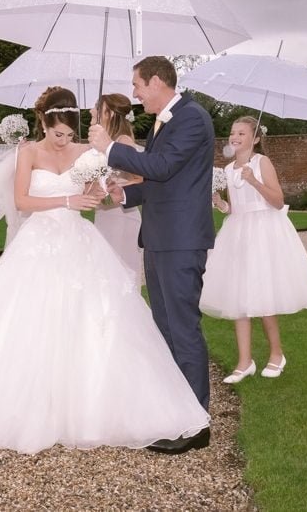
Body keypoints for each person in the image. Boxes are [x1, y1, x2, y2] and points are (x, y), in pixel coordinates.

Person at [0, 86, 210, 455]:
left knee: (94, 320)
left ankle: (107, 407)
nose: (63, 140)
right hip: (37, 242)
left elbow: (99, 196)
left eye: (69, 134)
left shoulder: (88, 152)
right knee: (25, 321)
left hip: (77, 239)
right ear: (43, 123)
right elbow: (22, 200)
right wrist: (67, 199)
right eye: (57, 134)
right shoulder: (27, 152)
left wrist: (104, 190)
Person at [88, 56, 216, 455]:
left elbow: (160, 166)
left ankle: (195, 423)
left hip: (180, 242)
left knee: (183, 329)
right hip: (159, 239)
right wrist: (125, 193)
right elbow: (161, 182)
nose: (135, 93)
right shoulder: (165, 122)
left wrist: (109, 148)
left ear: (158, 81)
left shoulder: (192, 118)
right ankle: (174, 411)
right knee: (164, 330)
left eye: (138, 85)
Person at [201, 116, 307, 383]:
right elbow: (235, 208)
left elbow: (278, 201)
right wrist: (220, 204)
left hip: (264, 232)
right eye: (232, 133)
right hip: (238, 233)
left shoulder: (261, 163)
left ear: (255, 138)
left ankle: (276, 354)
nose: (234, 137)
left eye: (241, 133)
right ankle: (245, 362)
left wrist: (254, 181)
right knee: (239, 297)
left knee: (264, 294)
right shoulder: (229, 169)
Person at [89, 93, 144, 284]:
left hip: (122, 215)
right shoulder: (100, 145)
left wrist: (115, 187)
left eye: (97, 106)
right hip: (104, 214)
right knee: (103, 276)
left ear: (109, 113)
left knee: (121, 277)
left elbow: (140, 179)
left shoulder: (123, 142)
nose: (91, 110)